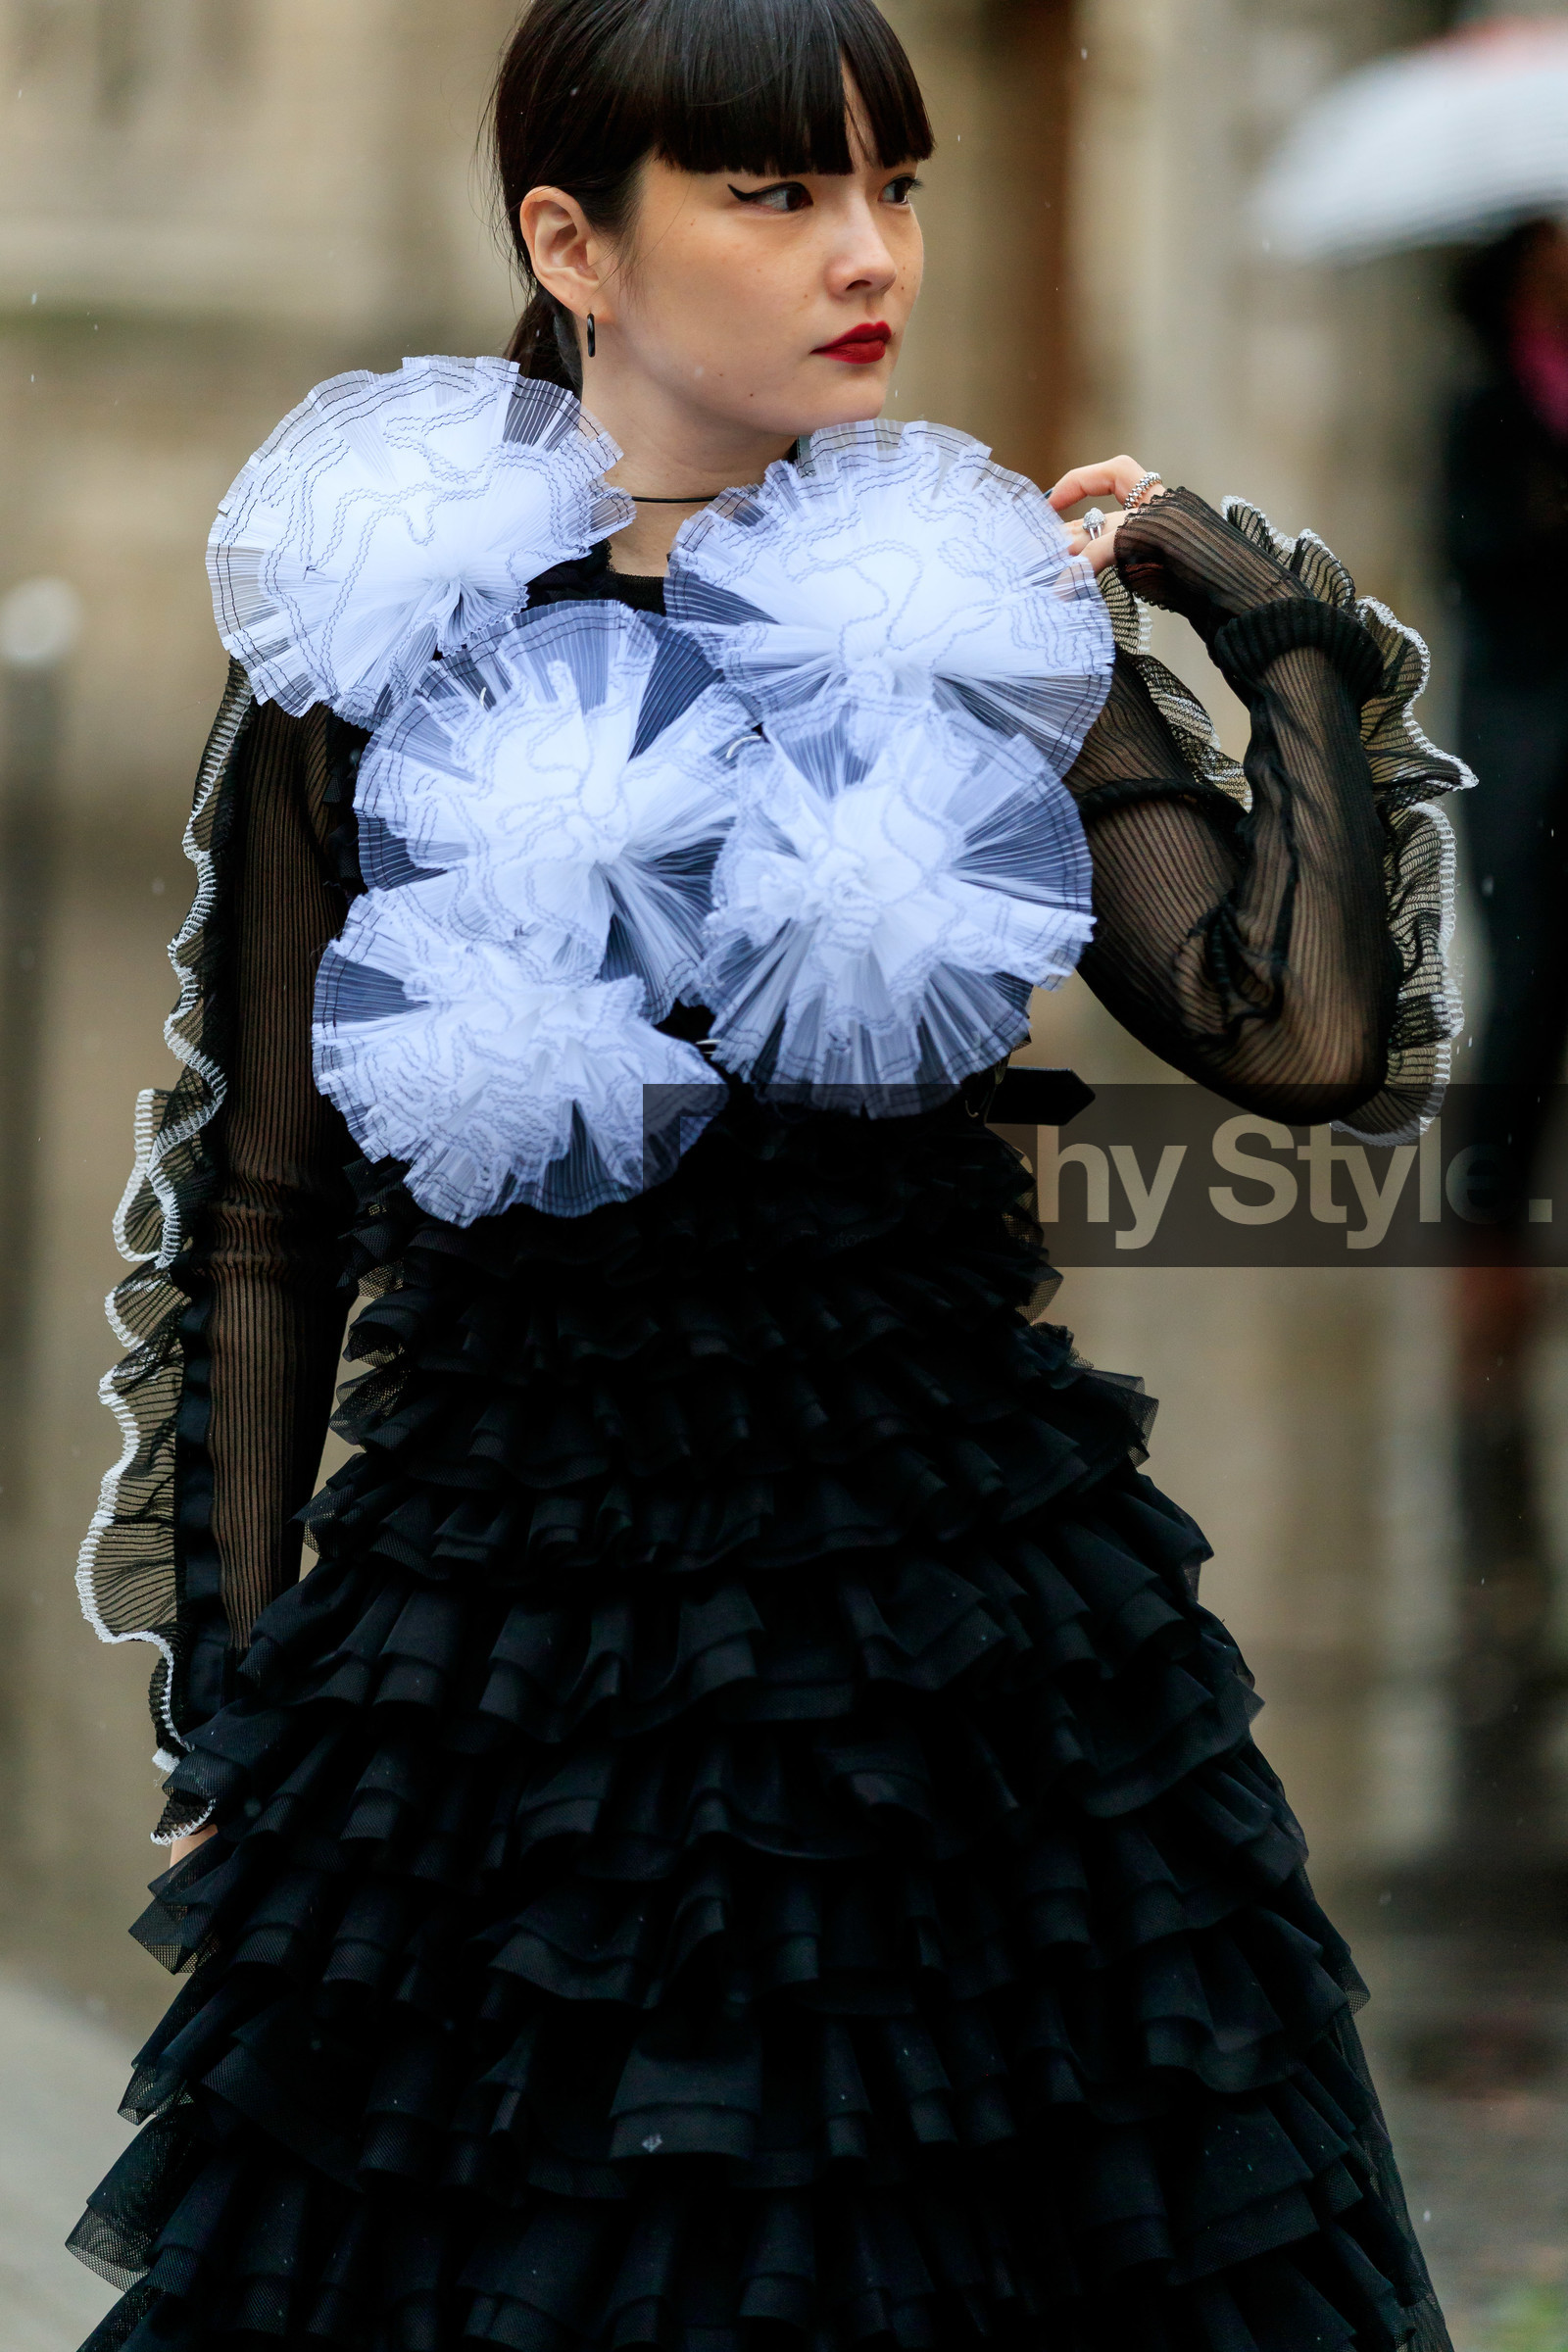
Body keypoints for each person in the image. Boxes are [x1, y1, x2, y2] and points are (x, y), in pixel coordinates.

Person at [68, 0, 1457, 2343]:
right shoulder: (375, 637)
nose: (864, 250)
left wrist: (1273, 633)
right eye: (778, 191)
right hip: (493, 1652)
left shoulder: (972, 605)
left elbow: (1288, 1039)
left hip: (950, 1638)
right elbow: (270, 1213)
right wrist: (237, 1713)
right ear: (567, 239)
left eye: (892, 186)